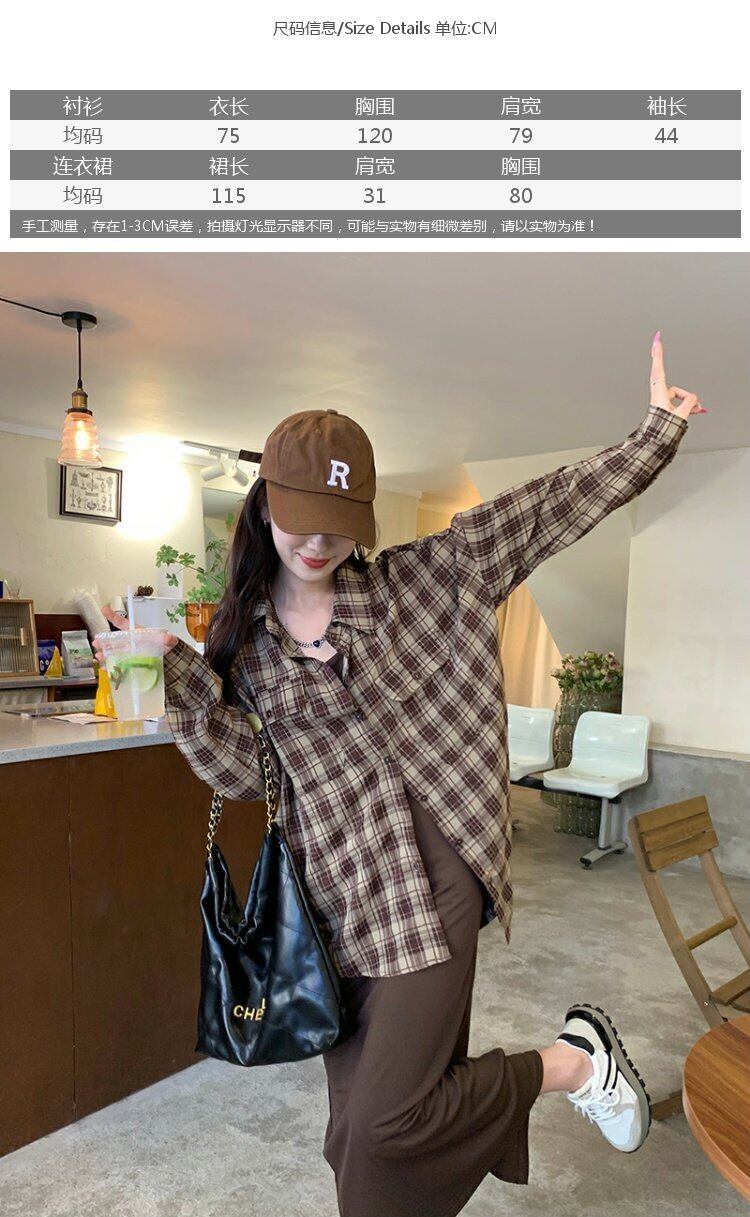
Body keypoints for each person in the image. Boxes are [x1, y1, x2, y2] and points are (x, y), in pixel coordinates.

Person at [95, 332, 706, 1217]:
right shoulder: (244, 645)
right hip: (335, 889)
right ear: (265, 504)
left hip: (437, 870)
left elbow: (551, 507)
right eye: (302, 516)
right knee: (355, 1140)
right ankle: (564, 1066)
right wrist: (176, 685)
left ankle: (573, 1063)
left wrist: (653, 434)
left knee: (386, 1126)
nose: (320, 540)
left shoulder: (433, 579)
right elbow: (244, 772)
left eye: (340, 520)